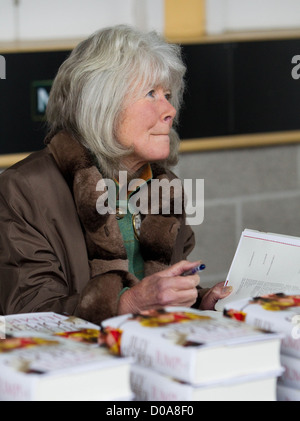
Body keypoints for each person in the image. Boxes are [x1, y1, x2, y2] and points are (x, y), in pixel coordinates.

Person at [0, 25, 231, 324]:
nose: (169, 110)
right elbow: (28, 313)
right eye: (150, 94)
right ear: (101, 105)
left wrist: (200, 302)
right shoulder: (23, 189)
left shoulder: (164, 188)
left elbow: (156, 296)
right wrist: (128, 303)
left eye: (168, 95)